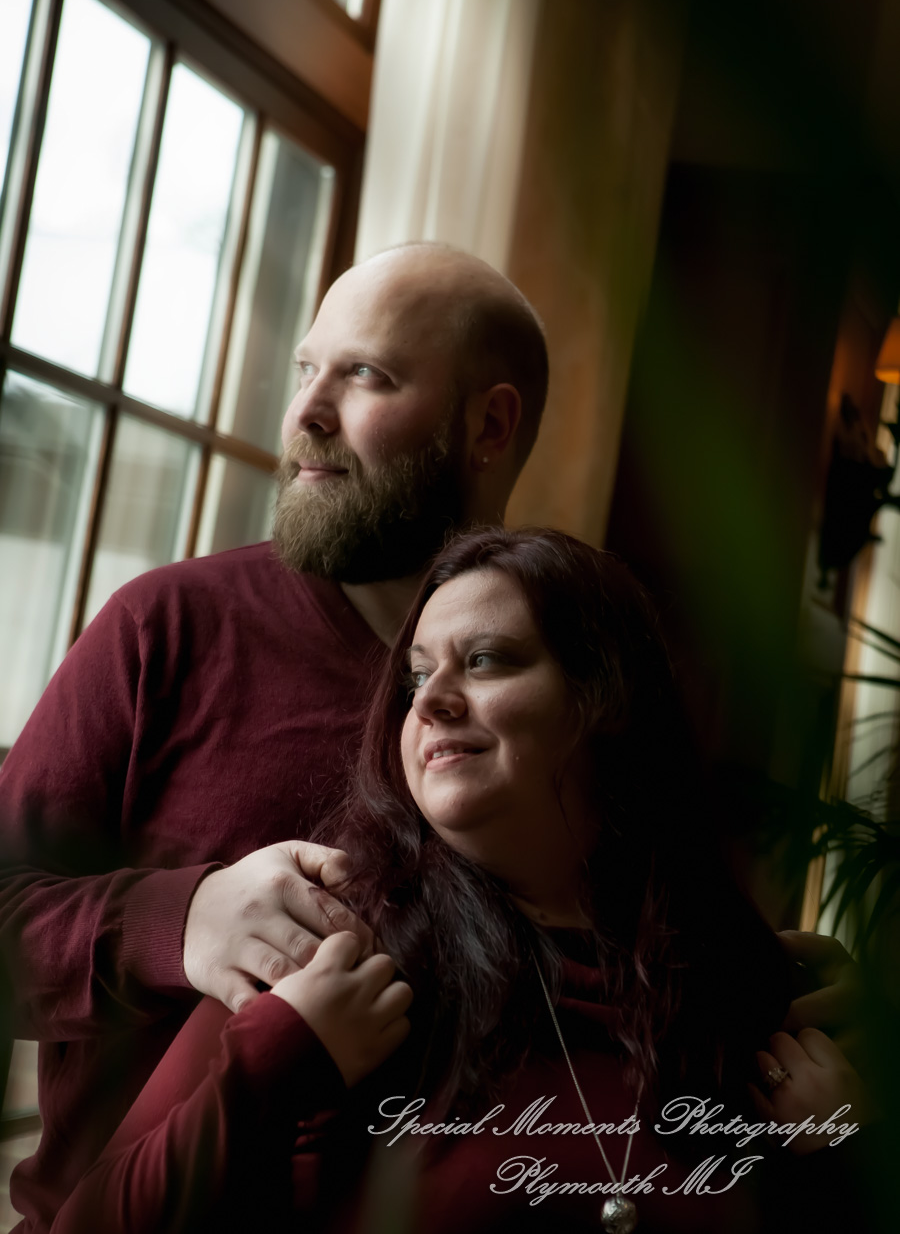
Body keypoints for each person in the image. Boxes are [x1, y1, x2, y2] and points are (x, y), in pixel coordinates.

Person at [46, 528, 869, 1234]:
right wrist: (270, 1061)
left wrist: (842, 1163)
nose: (432, 700)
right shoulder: (337, 955)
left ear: (604, 696)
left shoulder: (738, 985)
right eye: (415, 677)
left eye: (483, 660)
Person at [0, 242, 549, 1234]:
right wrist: (185, 920)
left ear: (490, 423)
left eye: (365, 374)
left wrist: (784, 1002)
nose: (306, 411)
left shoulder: (559, 684)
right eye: (306, 369)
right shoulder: (163, 628)